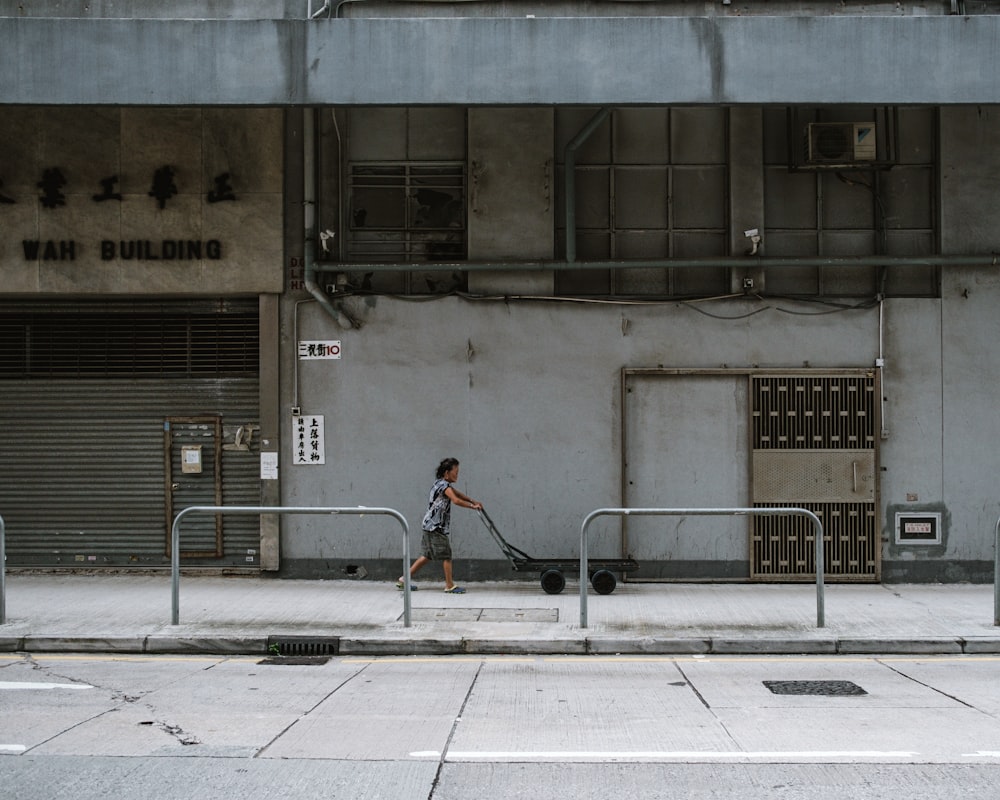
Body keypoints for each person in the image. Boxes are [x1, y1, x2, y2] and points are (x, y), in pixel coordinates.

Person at [398, 457, 482, 593]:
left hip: (428, 525)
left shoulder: (440, 483)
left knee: (426, 556)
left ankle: (403, 579)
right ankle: (449, 585)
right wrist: (473, 506)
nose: (457, 474)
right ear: (447, 473)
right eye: (455, 471)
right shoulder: (444, 486)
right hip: (436, 527)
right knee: (446, 555)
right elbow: (455, 500)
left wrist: (473, 501)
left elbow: (457, 494)